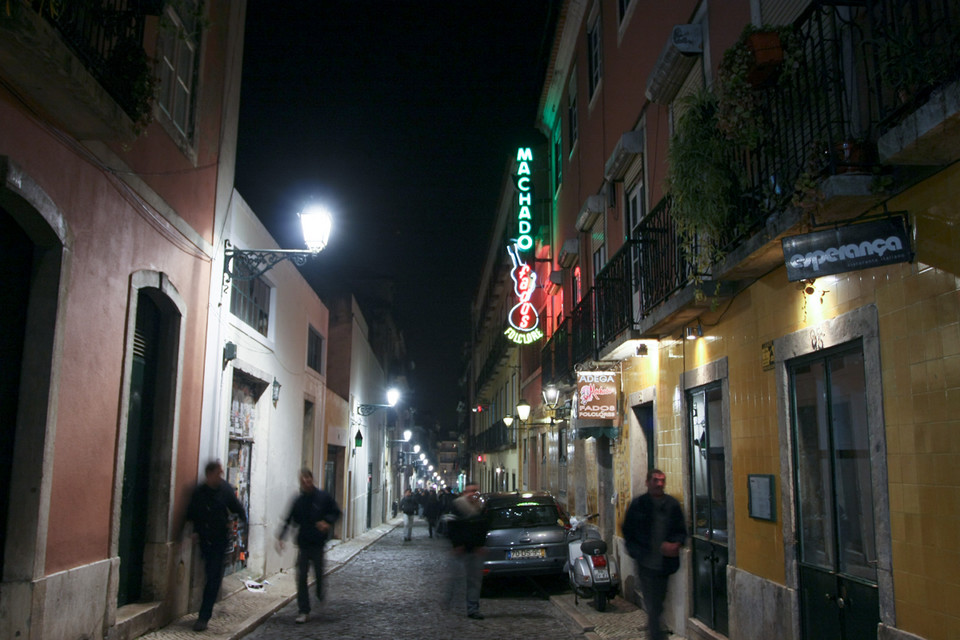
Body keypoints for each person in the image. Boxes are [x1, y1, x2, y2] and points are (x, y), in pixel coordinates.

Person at [621, 469, 687, 640]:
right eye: (656, 480)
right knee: (654, 605)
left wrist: (675, 543)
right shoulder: (639, 504)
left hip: (665, 566)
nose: (659, 484)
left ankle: (655, 632)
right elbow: (627, 530)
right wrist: (637, 553)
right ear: (647, 482)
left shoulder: (672, 504)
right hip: (646, 565)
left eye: (662, 480)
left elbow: (682, 531)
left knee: (657, 603)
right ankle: (657, 635)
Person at [183, 460, 247, 632]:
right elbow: (192, 513)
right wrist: (194, 532)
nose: (221, 476)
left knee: (213, 578)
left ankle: (204, 617)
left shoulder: (225, 490)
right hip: (204, 541)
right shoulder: (199, 492)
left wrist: (242, 525)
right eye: (218, 473)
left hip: (219, 541)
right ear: (209, 474)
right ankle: (204, 611)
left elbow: (238, 509)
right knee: (210, 576)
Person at [277, 468, 341, 624]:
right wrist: (281, 537)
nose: (306, 482)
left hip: (318, 544)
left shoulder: (323, 497)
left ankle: (319, 593)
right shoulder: (298, 501)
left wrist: (327, 522)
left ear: (312, 479)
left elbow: (336, 512)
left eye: (308, 479)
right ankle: (303, 609)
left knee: (319, 575)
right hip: (304, 545)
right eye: (303, 480)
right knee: (301, 577)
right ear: (301, 482)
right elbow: (289, 518)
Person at [447, 482, 487, 619]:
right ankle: (450, 603)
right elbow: (452, 527)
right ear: (464, 493)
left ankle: (472, 609)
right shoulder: (457, 506)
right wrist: (456, 545)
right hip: (461, 550)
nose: (472, 493)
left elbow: (484, 527)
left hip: (475, 550)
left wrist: (481, 545)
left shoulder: (481, 508)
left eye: (475, 490)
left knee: (474, 581)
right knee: (456, 579)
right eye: (469, 491)